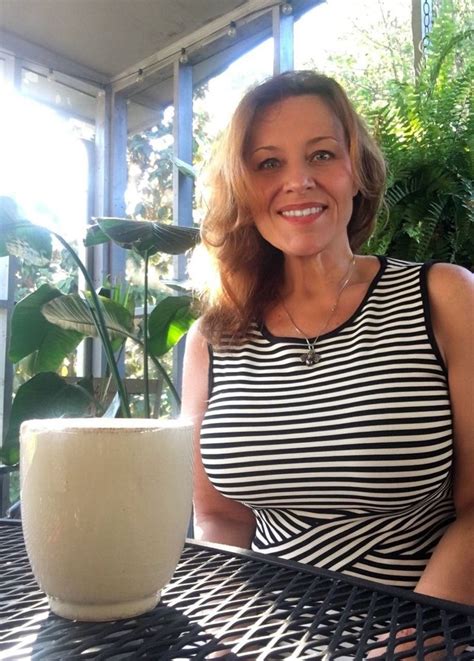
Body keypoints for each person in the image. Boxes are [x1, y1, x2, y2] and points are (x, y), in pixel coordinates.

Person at [182, 71, 474, 611]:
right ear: (242, 188)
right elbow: (222, 517)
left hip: (423, 626)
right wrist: (227, 631)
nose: (298, 181)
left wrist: (412, 637)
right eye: (269, 162)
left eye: (321, 155)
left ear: (357, 169)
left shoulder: (444, 298)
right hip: (264, 632)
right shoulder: (213, 338)